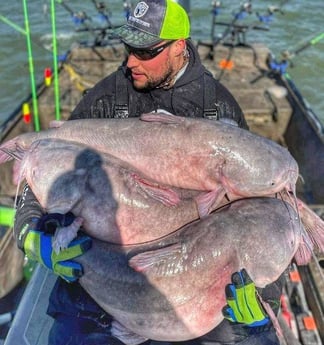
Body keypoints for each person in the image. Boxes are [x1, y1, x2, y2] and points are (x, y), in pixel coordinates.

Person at [13, 0, 283, 344]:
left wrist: (265, 298)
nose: (130, 61)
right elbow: (37, 169)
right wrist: (30, 237)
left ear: (179, 47)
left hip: (191, 287)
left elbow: (264, 212)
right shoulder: (105, 100)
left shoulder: (219, 108)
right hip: (95, 285)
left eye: (145, 51)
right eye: (128, 48)